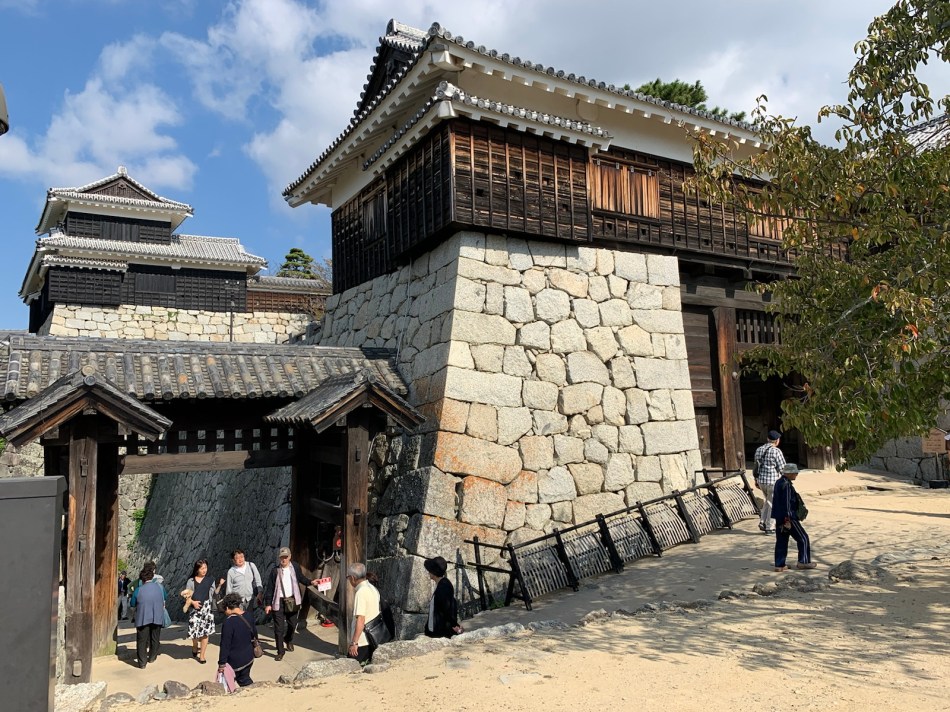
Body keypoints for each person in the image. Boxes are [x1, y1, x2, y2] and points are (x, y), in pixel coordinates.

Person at [264, 547, 320, 661]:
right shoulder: (275, 571)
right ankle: (280, 651)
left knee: (292, 624)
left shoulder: (295, 567)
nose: (283, 559)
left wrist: (310, 582)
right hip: (278, 601)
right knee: (278, 628)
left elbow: (301, 578)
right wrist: (268, 604)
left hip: (292, 600)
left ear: (290, 557)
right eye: (282, 557)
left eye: (286, 557)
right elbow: (270, 588)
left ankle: (288, 639)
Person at [772, 463, 816, 572]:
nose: (796, 474)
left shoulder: (778, 482)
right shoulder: (786, 485)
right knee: (803, 538)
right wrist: (788, 519)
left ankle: (779, 565)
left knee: (782, 541)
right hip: (789, 517)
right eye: (795, 472)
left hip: (779, 516)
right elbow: (787, 503)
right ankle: (804, 561)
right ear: (790, 473)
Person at [185, 559, 220, 664]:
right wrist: (193, 603)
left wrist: (219, 585)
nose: (204, 570)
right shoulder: (191, 581)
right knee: (194, 631)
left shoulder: (210, 580)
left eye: (205, 568)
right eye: (202, 568)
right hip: (194, 609)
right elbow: (187, 596)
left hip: (206, 608)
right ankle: (195, 645)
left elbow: (214, 594)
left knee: (205, 632)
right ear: (197, 569)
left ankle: (202, 656)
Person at [217, 593, 256, 688]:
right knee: (245, 677)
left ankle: (254, 692)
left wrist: (222, 663)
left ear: (227, 608)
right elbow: (255, 635)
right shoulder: (249, 616)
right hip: (249, 656)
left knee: (241, 680)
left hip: (235, 660)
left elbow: (225, 645)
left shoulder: (229, 622)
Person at [346, 562, 381, 664]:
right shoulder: (372, 588)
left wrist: (354, 643)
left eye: (348, 577)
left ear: (353, 578)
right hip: (374, 636)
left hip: (362, 640)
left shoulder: (361, 592)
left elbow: (361, 619)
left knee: (352, 667)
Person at [754, 430, 786, 534]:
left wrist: (756, 480)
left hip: (761, 481)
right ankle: (770, 527)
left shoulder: (759, 449)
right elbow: (783, 468)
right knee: (773, 504)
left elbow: (756, 466)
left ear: (768, 439)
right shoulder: (776, 451)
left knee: (768, 501)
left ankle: (762, 522)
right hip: (772, 481)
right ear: (777, 441)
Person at [132, 566, 166, 668]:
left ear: (142, 579)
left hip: (143, 617)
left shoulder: (138, 590)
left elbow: (132, 603)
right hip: (157, 616)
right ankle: (152, 657)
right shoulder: (160, 588)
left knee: (142, 641)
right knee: (155, 638)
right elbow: (165, 597)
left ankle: (142, 663)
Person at [423, 556, 462, 638]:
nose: (428, 572)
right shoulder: (442, 584)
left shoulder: (444, 586)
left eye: (430, 570)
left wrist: (454, 625)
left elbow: (447, 609)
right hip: (436, 631)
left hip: (440, 633)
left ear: (434, 572)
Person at [221, 549, 263, 619]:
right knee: (239, 619)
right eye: (237, 558)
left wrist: (260, 592)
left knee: (249, 619)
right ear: (233, 560)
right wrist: (229, 604)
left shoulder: (251, 566)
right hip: (237, 601)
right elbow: (229, 589)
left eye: (241, 557)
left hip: (250, 599)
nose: (240, 559)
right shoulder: (231, 572)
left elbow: (258, 580)